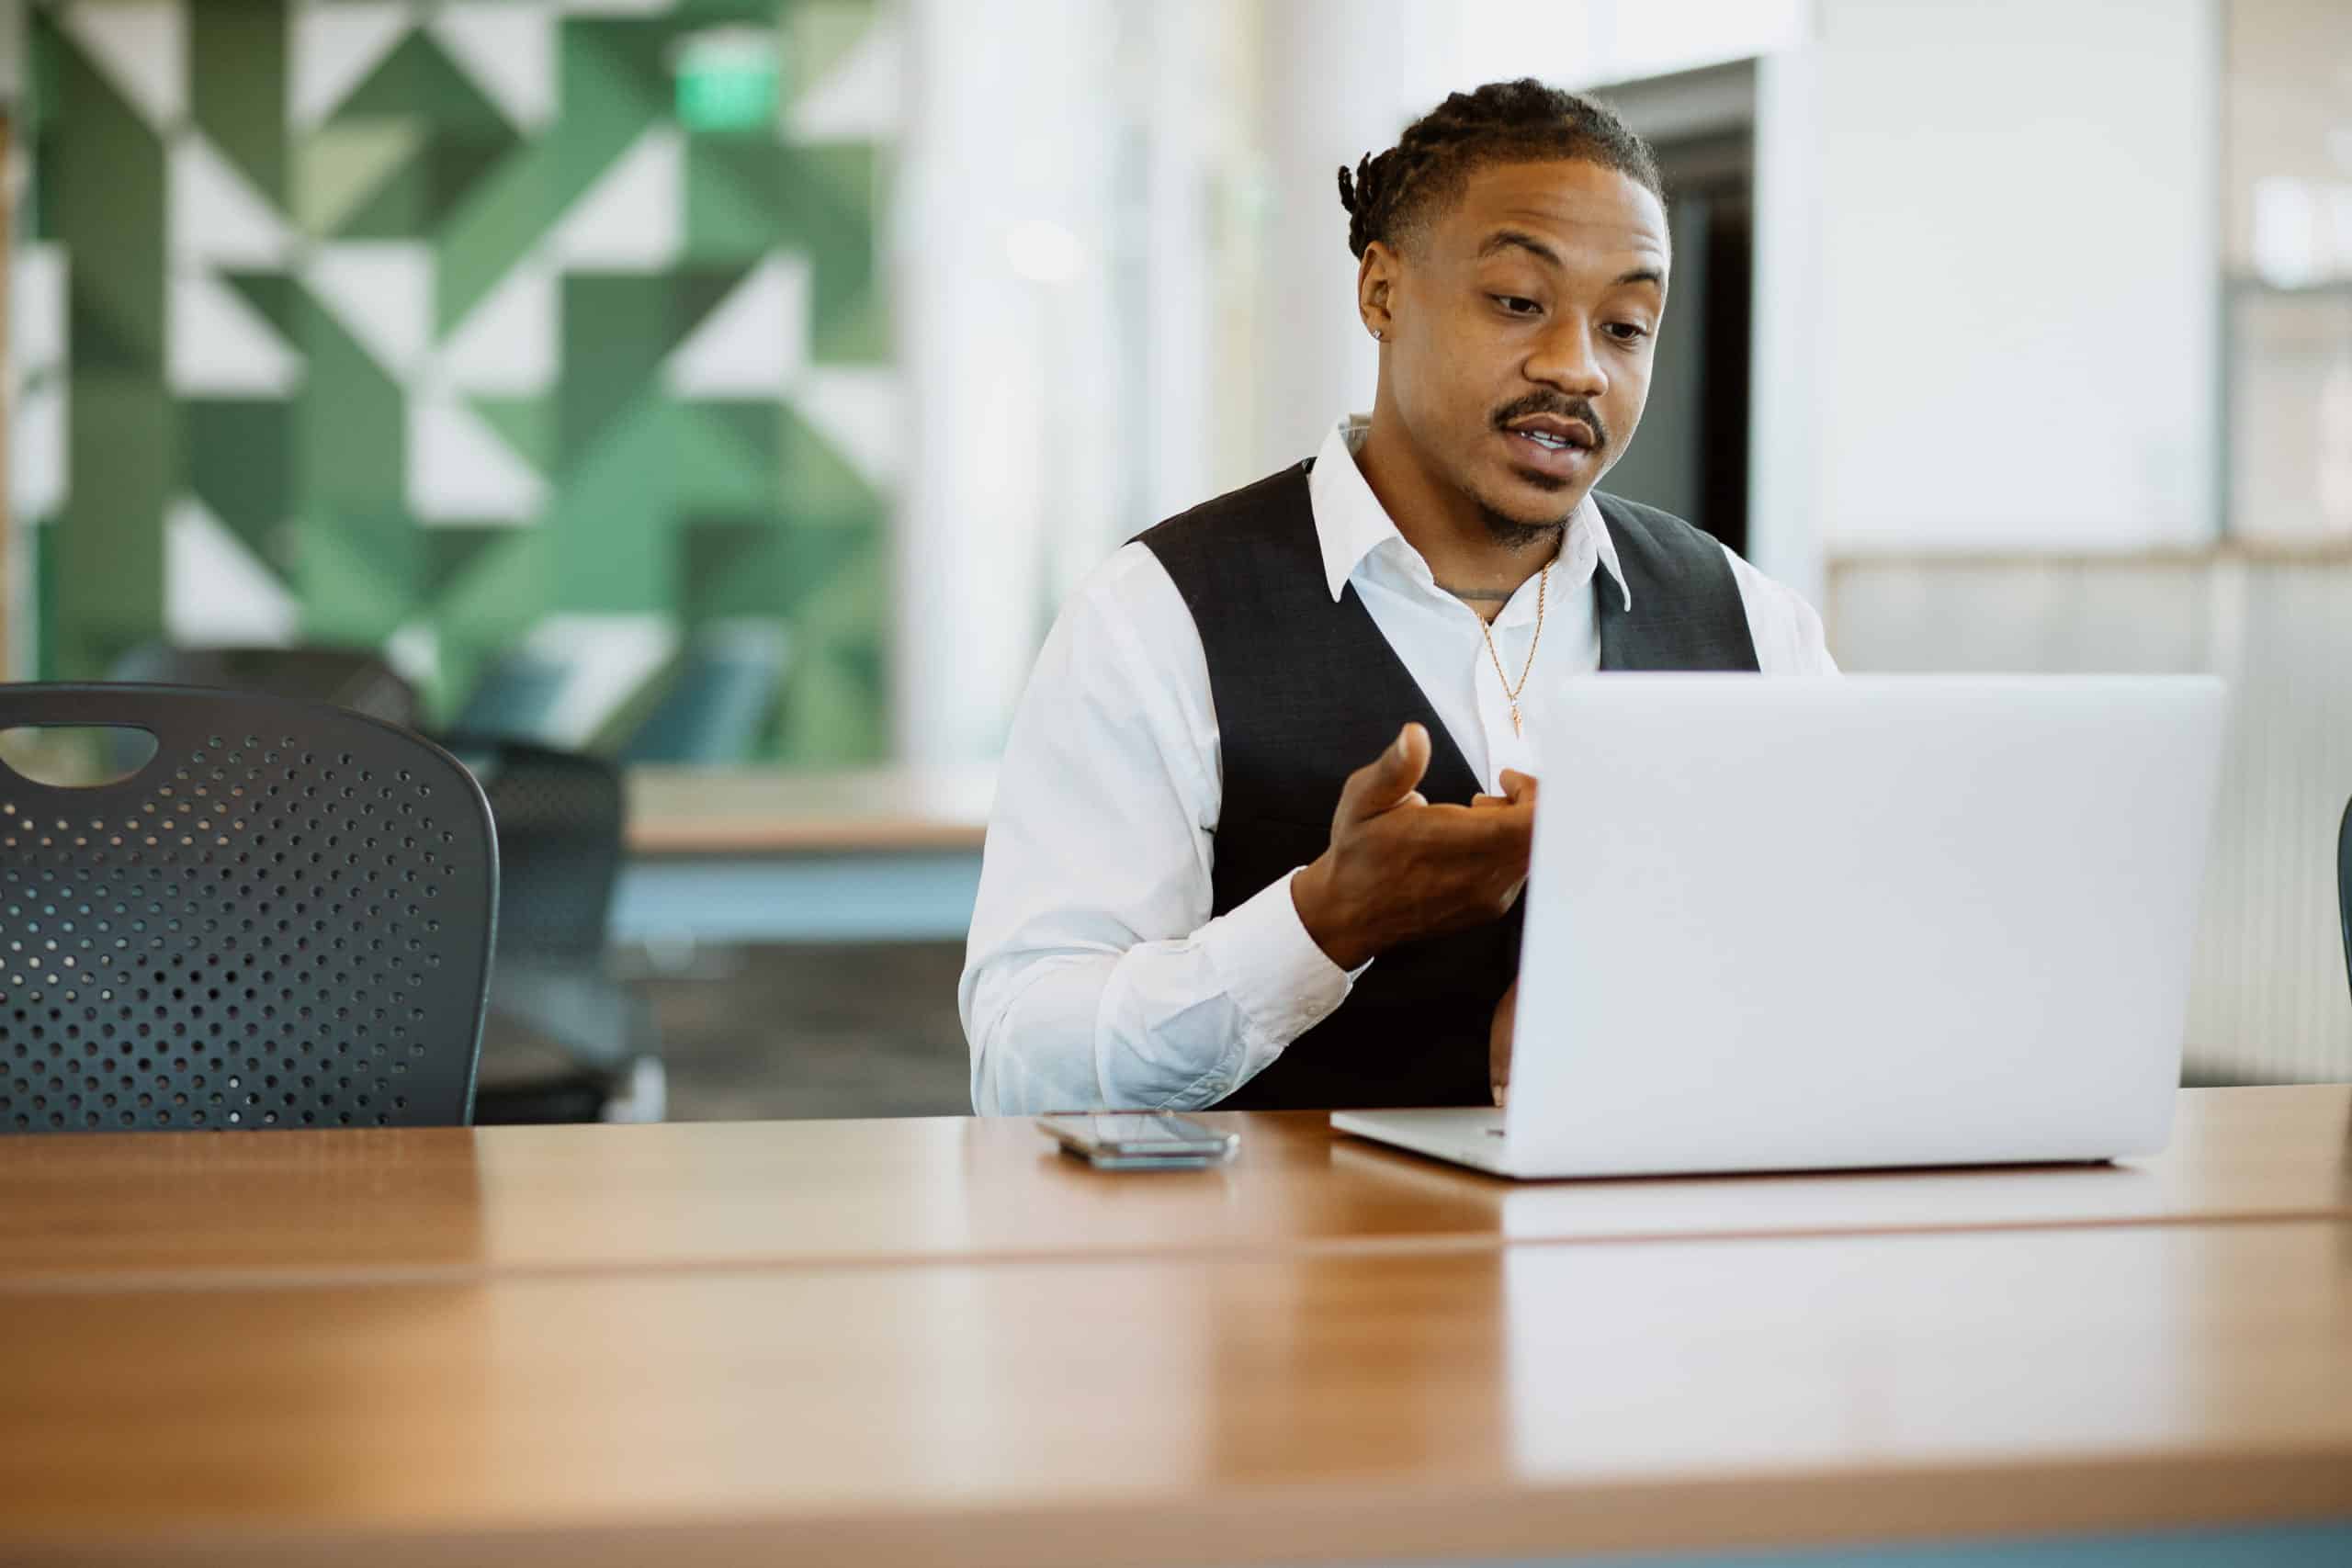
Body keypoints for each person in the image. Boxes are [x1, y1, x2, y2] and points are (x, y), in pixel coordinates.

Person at [962, 79, 1835, 1116]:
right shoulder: (1156, 616)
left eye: (1627, 326)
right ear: (1381, 293)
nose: (1578, 368)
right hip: (1284, 1274)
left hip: (1649, 1264)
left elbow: (1844, 972)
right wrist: (1321, 924)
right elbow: (1023, 1066)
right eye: (1518, 302)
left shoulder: (1748, 619)